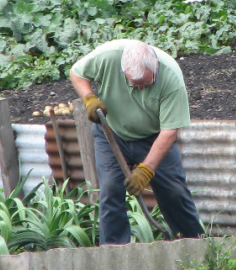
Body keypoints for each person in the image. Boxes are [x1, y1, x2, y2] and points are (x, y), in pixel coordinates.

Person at [69, 39, 205, 244]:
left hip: (154, 137)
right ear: (123, 71)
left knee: (174, 191)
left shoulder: (171, 77)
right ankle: (114, 254)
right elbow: (76, 73)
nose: (141, 88)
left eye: (146, 83)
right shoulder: (108, 57)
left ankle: (193, 245)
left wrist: (145, 171)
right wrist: (89, 98)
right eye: (135, 83)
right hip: (112, 134)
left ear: (155, 67)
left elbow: (169, 131)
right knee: (110, 190)